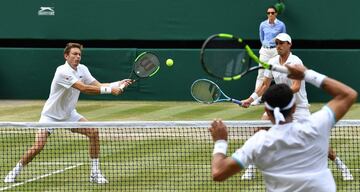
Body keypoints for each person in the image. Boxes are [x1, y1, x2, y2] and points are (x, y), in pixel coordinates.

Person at [209, 64, 357, 192]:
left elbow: (218, 172)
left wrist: (220, 142)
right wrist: (307, 74)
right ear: (293, 107)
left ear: (267, 112)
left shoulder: (258, 142)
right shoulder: (315, 126)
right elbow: (348, 95)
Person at [4, 43, 133, 184]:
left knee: (94, 132)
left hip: (69, 115)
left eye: (79, 54)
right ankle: (14, 171)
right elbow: (83, 88)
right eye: (74, 54)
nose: (77, 57)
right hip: (50, 116)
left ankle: (95, 174)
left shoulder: (83, 69)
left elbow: (98, 85)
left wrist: (117, 83)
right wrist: (111, 91)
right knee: (38, 146)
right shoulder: (62, 71)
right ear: (66, 56)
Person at [239, 33, 354, 181]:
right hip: (278, 106)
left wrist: (278, 94)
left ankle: (341, 166)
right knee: (260, 131)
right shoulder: (272, 61)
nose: (278, 46)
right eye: (277, 43)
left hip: (299, 108)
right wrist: (251, 99)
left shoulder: (296, 62)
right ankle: (251, 168)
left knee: (315, 139)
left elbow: (296, 86)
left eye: (282, 43)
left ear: (289, 45)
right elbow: (265, 85)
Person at [252, 5, 286, 106]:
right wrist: (265, 44)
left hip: (276, 51)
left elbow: (284, 38)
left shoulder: (281, 25)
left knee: (279, 75)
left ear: (276, 14)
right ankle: (257, 99)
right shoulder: (262, 24)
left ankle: (283, 98)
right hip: (265, 51)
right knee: (261, 75)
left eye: (272, 13)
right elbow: (261, 38)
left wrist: (278, 48)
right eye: (268, 13)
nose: (270, 14)